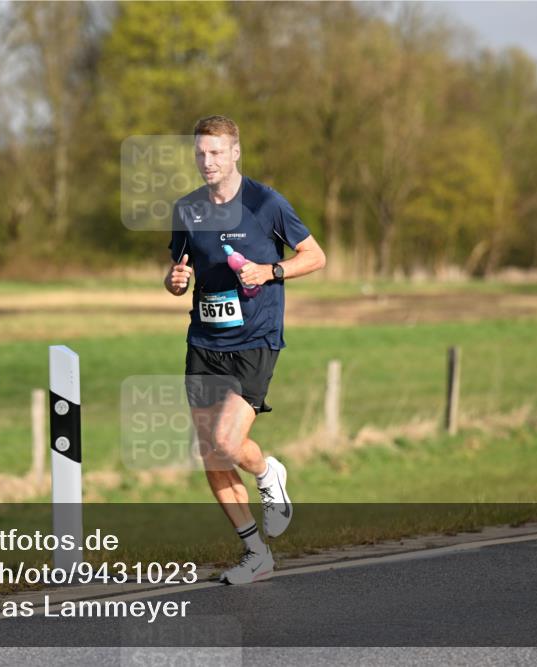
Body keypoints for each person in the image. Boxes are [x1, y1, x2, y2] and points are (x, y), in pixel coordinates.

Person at [163, 115, 326, 584]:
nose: (207, 161)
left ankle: (268, 471)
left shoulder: (266, 202)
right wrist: (175, 282)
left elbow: (315, 256)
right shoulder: (187, 209)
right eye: (200, 153)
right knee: (211, 453)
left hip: (254, 339)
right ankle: (255, 553)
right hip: (204, 342)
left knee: (230, 443)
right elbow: (178, 275)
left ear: (235, 153)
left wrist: (270, 271)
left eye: (216, 152)